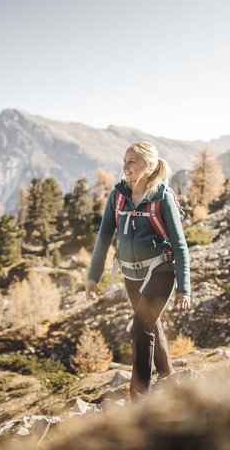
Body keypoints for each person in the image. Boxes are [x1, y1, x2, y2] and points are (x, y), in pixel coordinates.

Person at [85, 141, 190, 399]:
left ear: (150, 165)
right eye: (124, 160)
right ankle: (168, 376)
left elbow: (179, 245)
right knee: (151, 326)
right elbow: (103, 237)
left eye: (132, 161)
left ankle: (138, 395)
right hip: (131, 275)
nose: (125, 166)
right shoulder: (117, 196)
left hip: (160, 271)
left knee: (139, 326)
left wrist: (183, 287)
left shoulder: (162, 198)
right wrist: (92, 277)